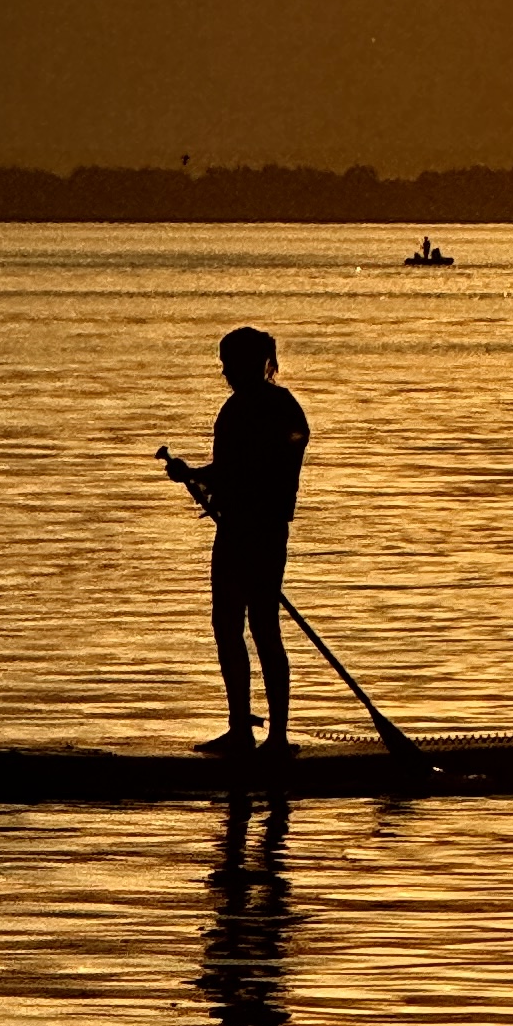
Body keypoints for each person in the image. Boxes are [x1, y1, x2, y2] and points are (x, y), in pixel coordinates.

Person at [182, 324, 311, 763]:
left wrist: (199, 476)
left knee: (263, 628)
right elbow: (230, 469)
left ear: (254, 363)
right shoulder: (237, 409)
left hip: (262, 532)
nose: (224, 372)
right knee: (227, 626)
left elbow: (251, 467)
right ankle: (241, 728)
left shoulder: (276, 408)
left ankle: (276, 737)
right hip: (235, 529)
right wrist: (200, 477)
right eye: (223, 363)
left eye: (229, 363)